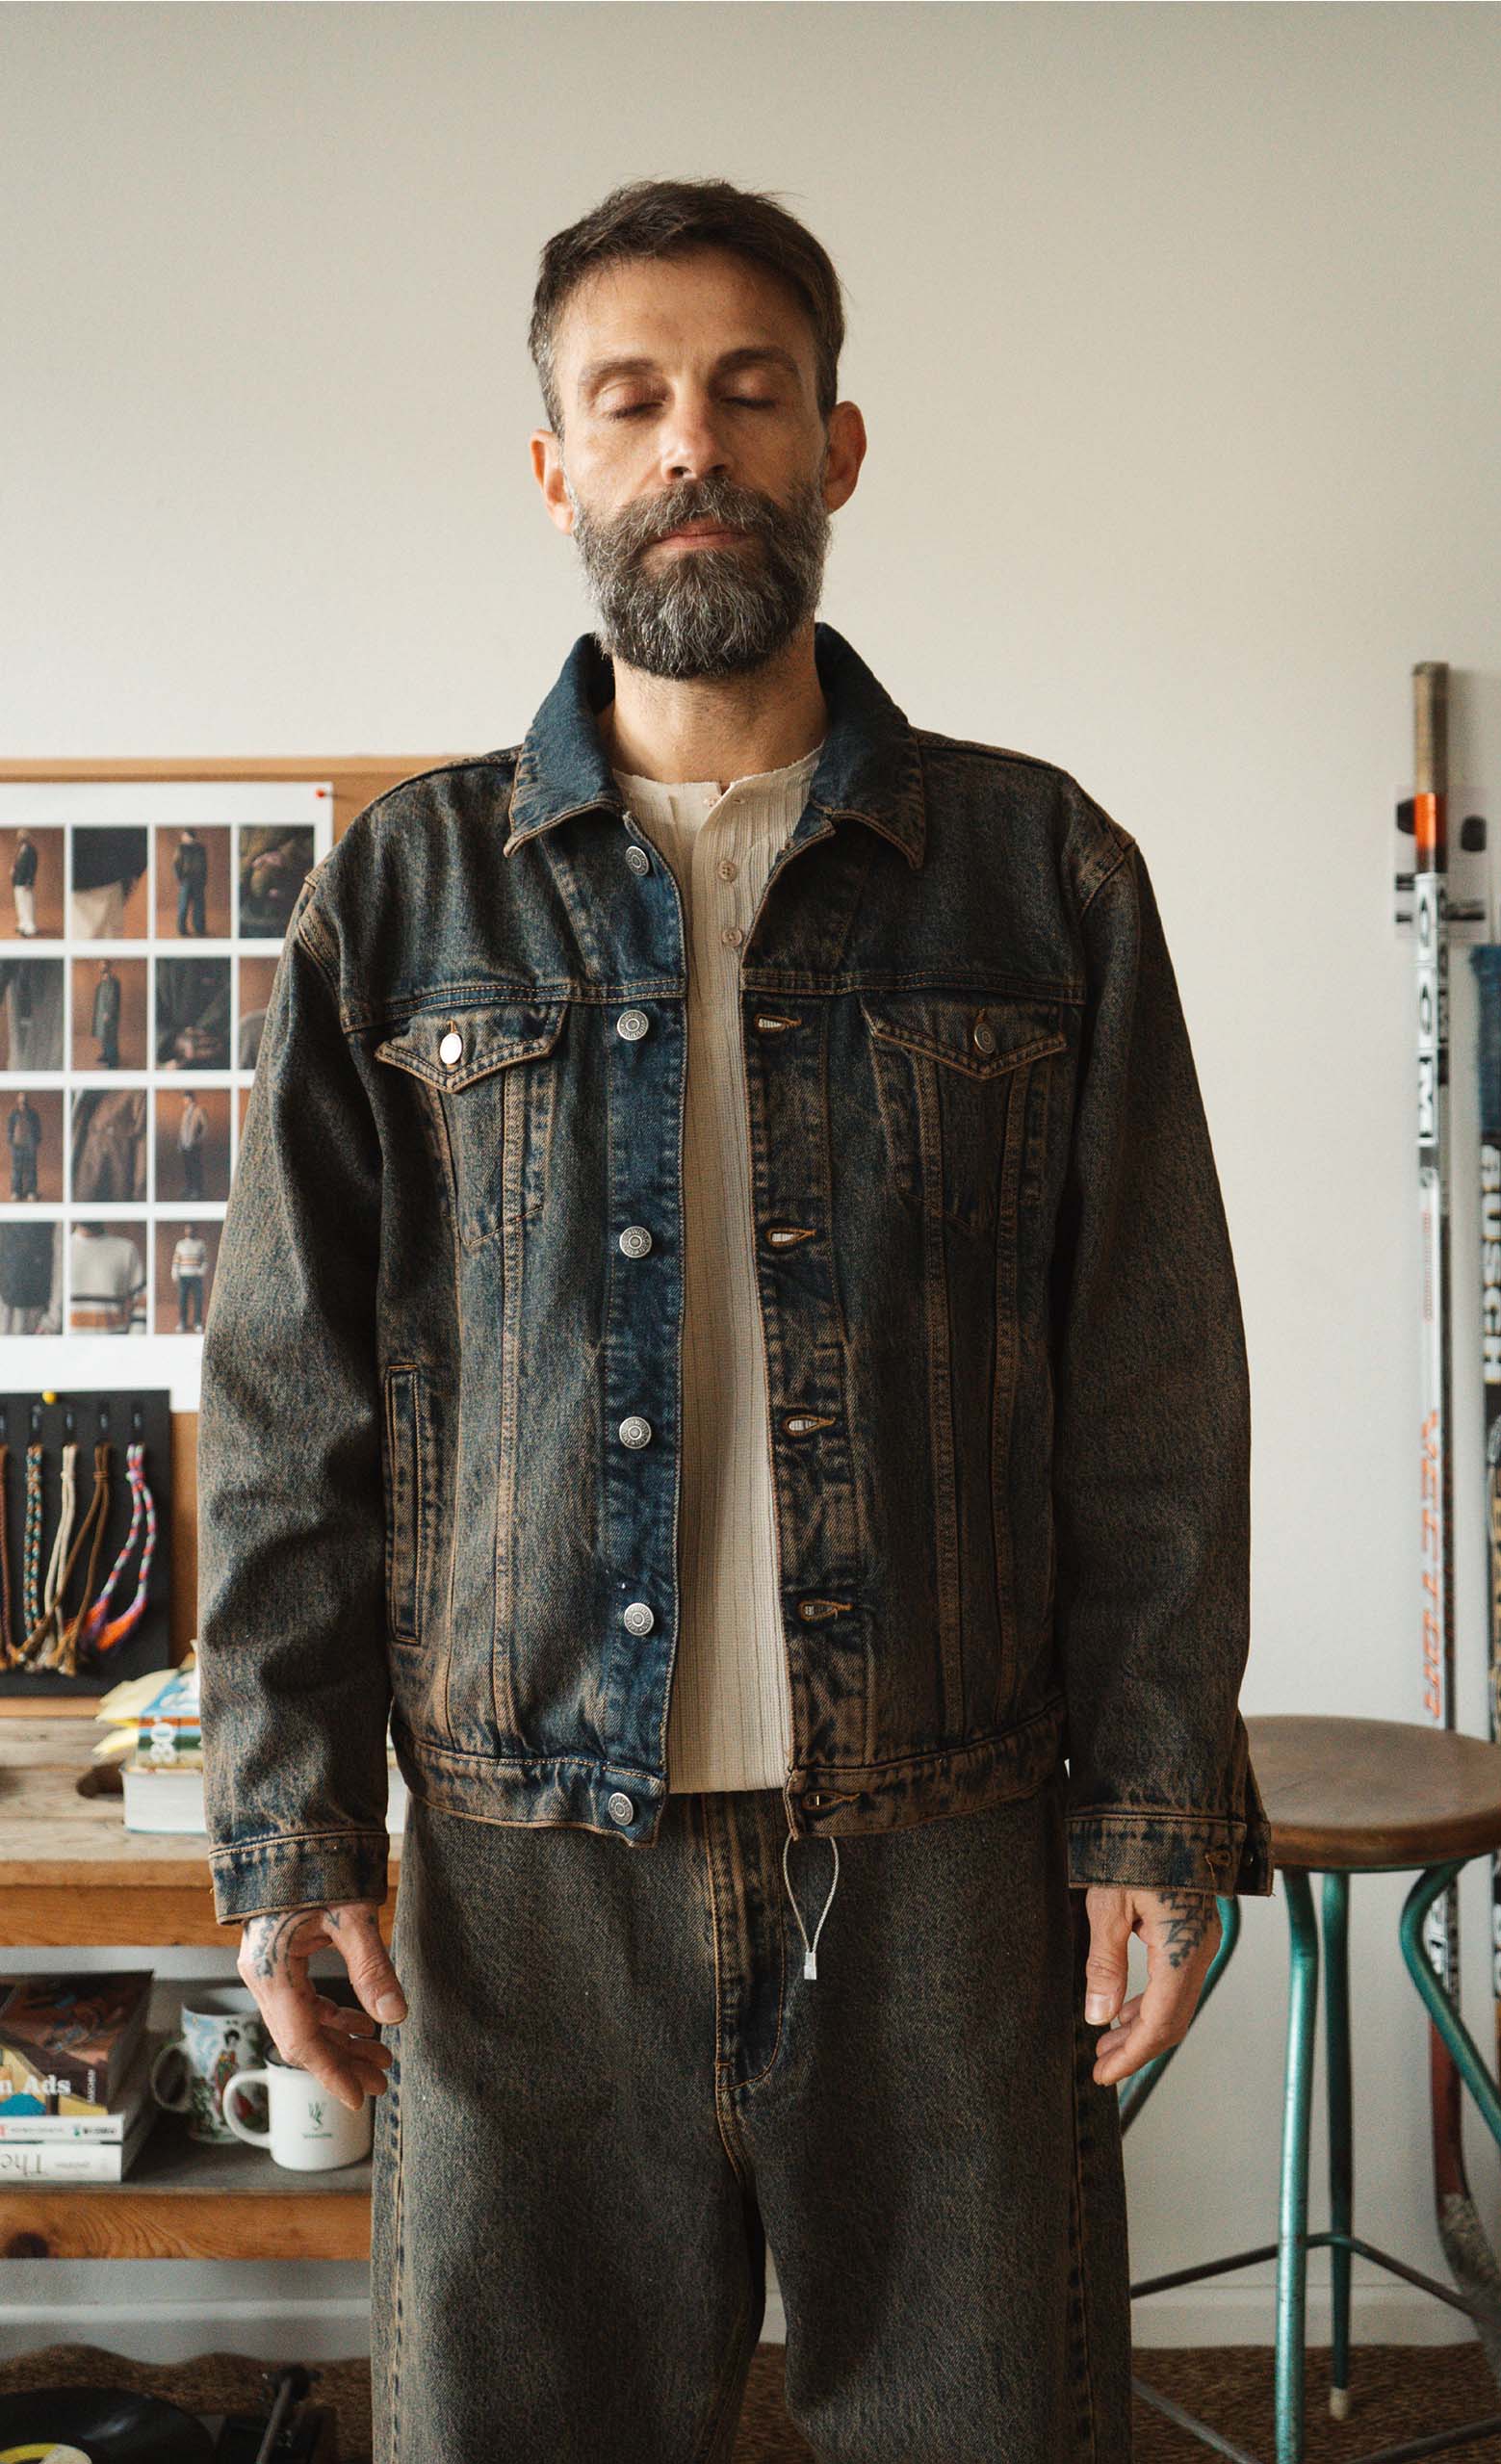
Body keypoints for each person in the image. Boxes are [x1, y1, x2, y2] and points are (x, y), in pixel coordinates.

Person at [196, 177, 1273, 2464]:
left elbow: (1151, 1390)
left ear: (836, 445)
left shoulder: (1042, 875)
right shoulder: (404, 895)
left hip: (950, 1857)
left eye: (749, 391)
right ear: (555, 466)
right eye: (634, 398)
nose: (695, 439)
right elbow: (291, 1404)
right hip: (521, 1878)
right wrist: (292, 1824)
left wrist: (1157, 1802)